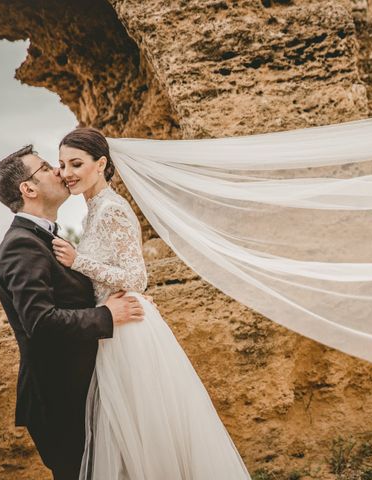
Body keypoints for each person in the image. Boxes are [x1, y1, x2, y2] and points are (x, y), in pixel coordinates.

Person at [51, 127, 252, 479]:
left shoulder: (113, 209)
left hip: (131, 333)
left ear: (101, 164)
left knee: (146, 434)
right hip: (113, 327)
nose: (66, 173)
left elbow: (136, 277)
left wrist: (76, 261)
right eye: (62, 164)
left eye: (76, 163)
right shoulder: (91, 212)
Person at [0, 145, 146, 480]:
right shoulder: (21, 245)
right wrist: (108, 315)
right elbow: (41, 322)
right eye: (47, 167)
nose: (60, 172)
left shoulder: (45, 238)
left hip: (80, 389)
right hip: (59, 400)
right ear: (28, 189)